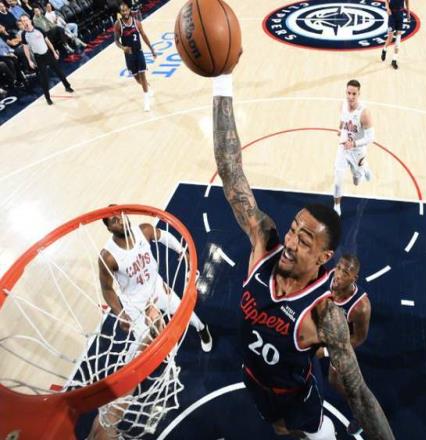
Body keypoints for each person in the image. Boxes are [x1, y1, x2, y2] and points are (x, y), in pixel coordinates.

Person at [212, 73, 394, 439]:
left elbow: (360, 394)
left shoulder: (325, 314)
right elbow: (231, 171)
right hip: (254, 380)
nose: (291, 242)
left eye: (304, 240)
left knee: (313, 432)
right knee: (281, 431)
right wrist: (222, 78)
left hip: (297, 397)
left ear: (324, 256)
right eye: (293, 229)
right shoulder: (265, 245)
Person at [87, 209, 213, 439]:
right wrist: (120, 313)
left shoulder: (143, 230)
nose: (119, 220)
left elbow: (163, 236)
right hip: (134, 304)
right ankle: (129, 378)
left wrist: (182, 250)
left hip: (156, 288)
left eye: (120, 215)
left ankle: (202, 330)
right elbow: (107, 289)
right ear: (108, 227)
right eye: (113, 220)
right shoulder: (108, 256)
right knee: (141, 350)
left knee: (184, 312)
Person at [316, 255, 371, 436]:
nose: (338, 274)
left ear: (354, 278)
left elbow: (358, 338)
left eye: (345, 272)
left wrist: (326, 351)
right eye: (338, 268)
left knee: (334, 380)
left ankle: (362, 414)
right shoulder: (327, 277)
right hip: (321, 329)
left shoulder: (360, 307)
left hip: (339, 342)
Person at [333, 79, 374, 217]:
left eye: (354, 94)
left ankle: (365, 167)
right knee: (338, 180)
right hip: (343, 148)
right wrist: (340, 129)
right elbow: (343, 119)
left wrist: (354, 144)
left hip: (357, 151)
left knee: (356, 181)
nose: (350, 97)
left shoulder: (364, 113)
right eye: (348, 93)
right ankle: (337, 205)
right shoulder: (343, 105)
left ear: (359, 94)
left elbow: (370, 138)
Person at [20, 13, 73, 105]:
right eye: (23, 21)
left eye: (26, 20)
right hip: (39, 58)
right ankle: (48, 98)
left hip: (47, 54)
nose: (25, 22)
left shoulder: (38, 29)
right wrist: (29, 60)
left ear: (30, 21)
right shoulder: (24, 34)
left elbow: (47, 41)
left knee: (59, 71)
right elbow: (26, 48)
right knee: (44, 79)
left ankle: (67, 86)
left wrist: (54, 52)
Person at [114, 2, 155, 111]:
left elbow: (144, 36)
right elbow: (116, 41)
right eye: (122, 11)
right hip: (129, 55)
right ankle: (147, 87)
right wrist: (123, 48)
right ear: (120, 12)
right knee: (137, 79)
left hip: (138, 52)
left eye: (126, 10)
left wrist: (152, 49)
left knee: (143, 75)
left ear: (129, 10)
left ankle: (146, 100)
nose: (125, 12)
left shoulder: (137, 23)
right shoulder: (118, 25)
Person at [381, 0, 410, 70]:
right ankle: (384, 49)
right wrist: (387, 8)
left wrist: (408, 13)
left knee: (398, 39)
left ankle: (394, 60)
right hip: (392, 15)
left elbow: (407, 1)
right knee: (390, 38)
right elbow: (386, 1)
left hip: (400, 15)